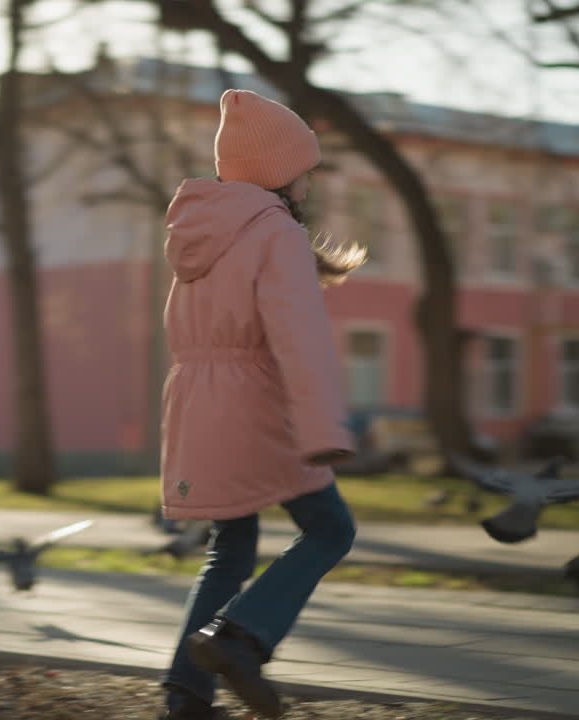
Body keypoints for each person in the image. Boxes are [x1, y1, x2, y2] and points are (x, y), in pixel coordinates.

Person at [158, 88, 365, 720]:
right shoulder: (273, 231)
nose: (309, 179)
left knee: (232, 551)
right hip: (257, 407)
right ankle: (240, 637)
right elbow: (299, 339)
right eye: (305, 166)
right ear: (278, 171)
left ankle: (186, 695)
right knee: (331, 528)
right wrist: (324, 425)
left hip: (197, 407)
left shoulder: (197, 229)